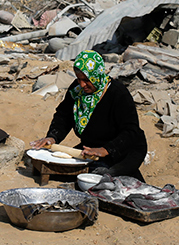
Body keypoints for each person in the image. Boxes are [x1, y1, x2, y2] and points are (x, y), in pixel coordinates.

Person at [30, 50, 147, 181]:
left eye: (86, 80)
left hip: (125, 149)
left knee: (106, 178)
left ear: (96, 75)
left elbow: (131, 131)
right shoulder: (77, 90)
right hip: (93, 147)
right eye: (79, 79)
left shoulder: (118, 94)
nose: (82, 84)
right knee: (66, 173)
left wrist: (105, 150)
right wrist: (52, 137)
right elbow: (64, 116)